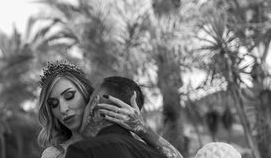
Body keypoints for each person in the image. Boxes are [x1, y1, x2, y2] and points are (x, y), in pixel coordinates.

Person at [37, 61, 182, 158]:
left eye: (69, 96)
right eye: (53, 104)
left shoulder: (130, 141)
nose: (63, 109)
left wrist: (142, 129)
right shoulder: (54, 154)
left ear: (87, 94)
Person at [63, 75, 177, 158]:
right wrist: (142, 129)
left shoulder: (82, 150)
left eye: (88, 102)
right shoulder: (154, 154)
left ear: (94, 107)